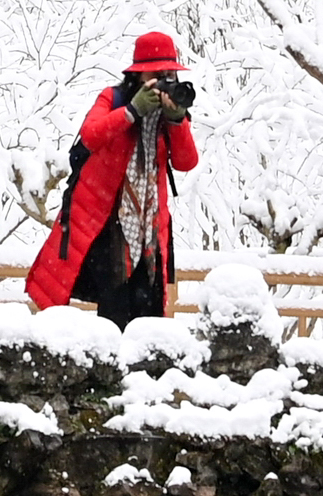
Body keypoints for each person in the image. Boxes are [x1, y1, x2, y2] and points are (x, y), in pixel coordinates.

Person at [26, 32, 199, 324]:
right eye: (158, 73)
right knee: (114, 310)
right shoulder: (114, 98)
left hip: (150, 230)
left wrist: (177, 120)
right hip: (108, 224)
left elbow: (186, 162)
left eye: (170, 73)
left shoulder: (168, 115)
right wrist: (131, 111)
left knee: (151, 312)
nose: (165, 79)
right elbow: (91, 135)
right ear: (138, 74)